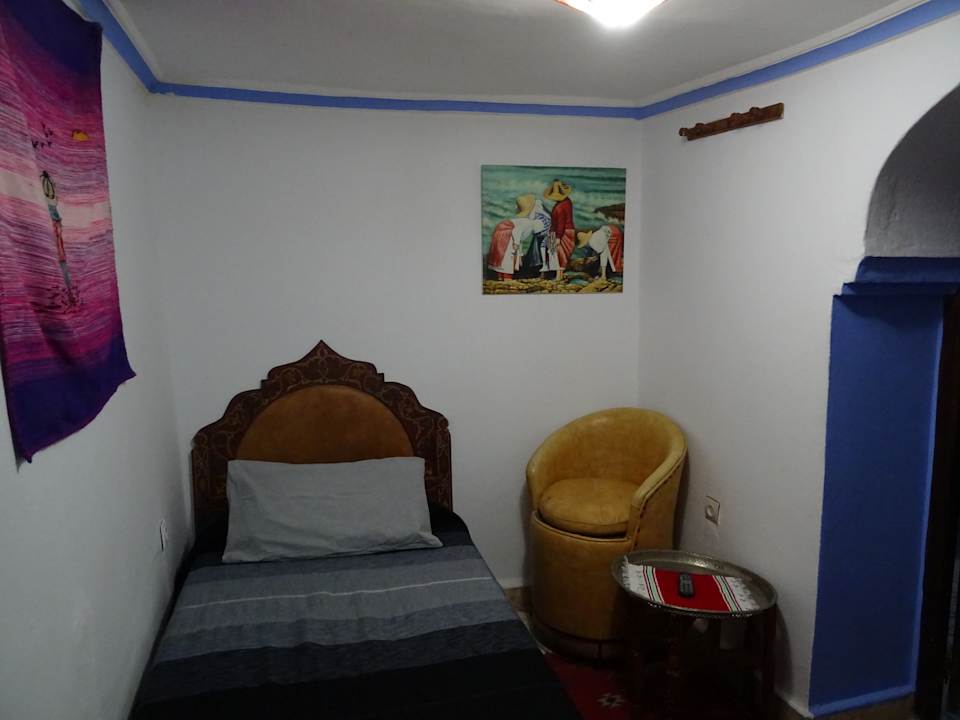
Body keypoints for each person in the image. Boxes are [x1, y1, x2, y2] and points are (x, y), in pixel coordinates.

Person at [487, 195, 536, 280]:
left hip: (500, 231)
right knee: (508, 256)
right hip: (507, 232)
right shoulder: (529, 223)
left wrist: (519, 253)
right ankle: (506, 277)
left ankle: (500, 276)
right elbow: (516, 232)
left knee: (501, 254)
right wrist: (516, 244)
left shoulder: (522, 220)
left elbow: (519, 237)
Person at [544, 179, 576, 280]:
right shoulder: (568, 201)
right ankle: (558, 275)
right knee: (561, 254)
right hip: (569, 230)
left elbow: (560, 224)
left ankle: (558, 276)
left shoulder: (559, 207)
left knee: (557, 254)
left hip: (561, 232)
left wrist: (558, 237)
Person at [522, 197, 554, 277]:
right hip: (547, 233)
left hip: (543, 233)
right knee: (545, 252)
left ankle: (538, 269)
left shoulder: (535, 210)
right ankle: (543, 269)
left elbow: (532, 222)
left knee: (538, 252)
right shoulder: (541, 208)